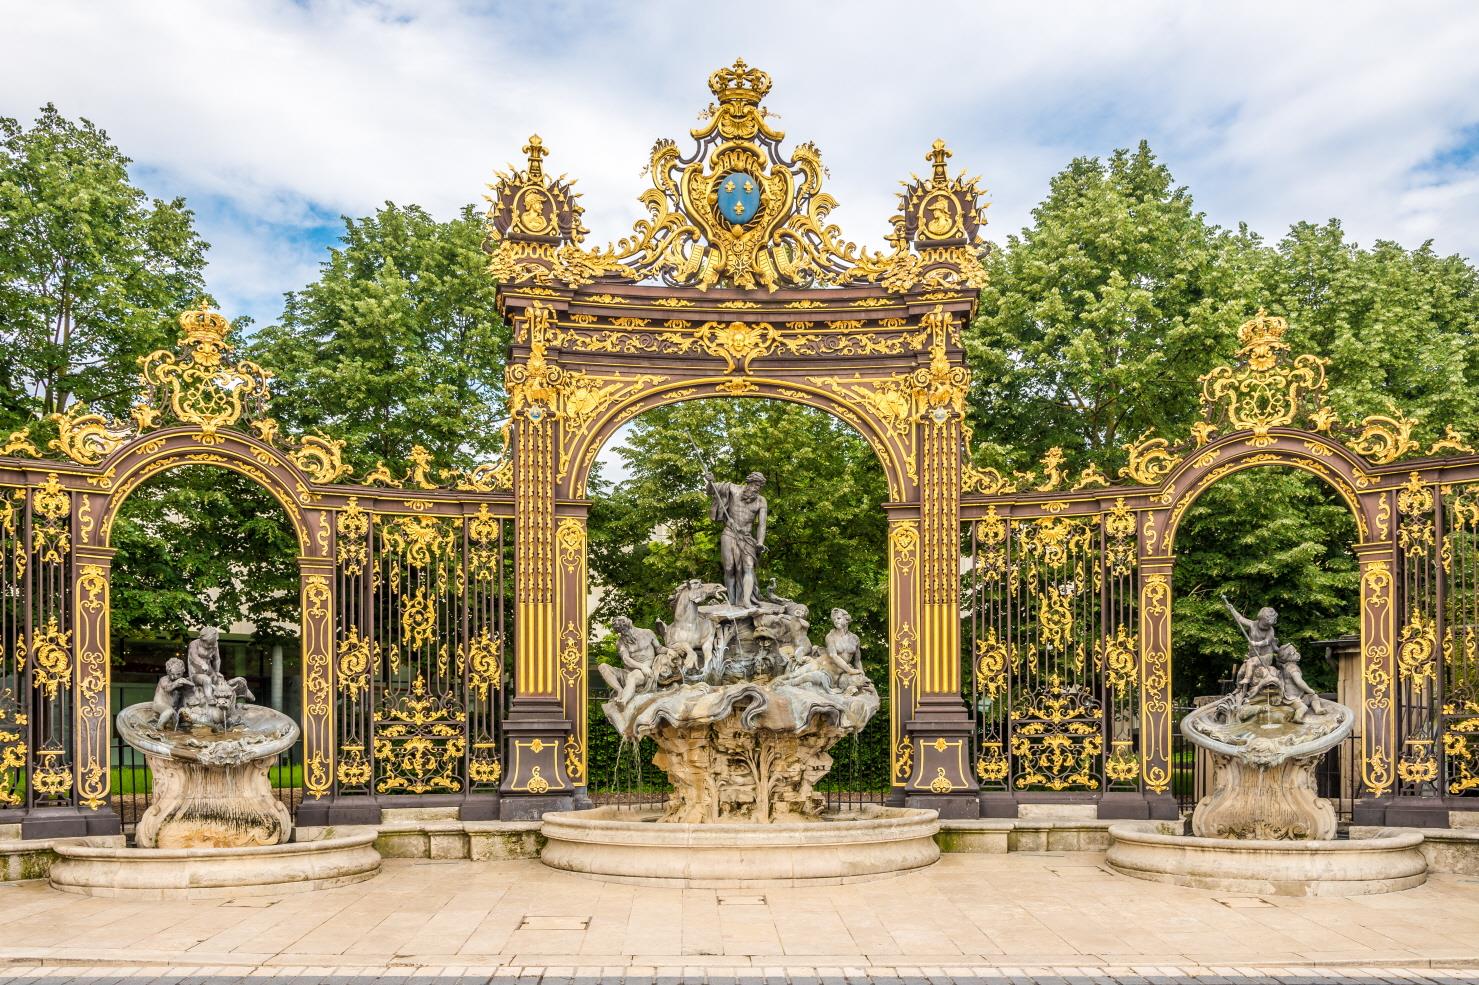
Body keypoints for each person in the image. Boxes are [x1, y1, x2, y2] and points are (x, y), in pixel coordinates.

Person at [707, 471, 768, 607]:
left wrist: (760, 542)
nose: (757, 488)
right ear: (749, 482)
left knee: (749, 566)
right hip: (729, 533)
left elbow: (762, 524)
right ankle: (732, 600)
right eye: (756, 484)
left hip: (747, 538)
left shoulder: (761, 501)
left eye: (760, 486)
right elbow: (712, 490)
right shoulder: (732, 489)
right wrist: (710, 481)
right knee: (729, 568)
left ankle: (746, 600)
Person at [598, 616, 667, 706]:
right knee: (602, 666)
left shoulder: (647, 633)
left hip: (645, 672)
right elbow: (626, 659)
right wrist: (641, 666)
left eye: (624, 631)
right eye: (620, 632)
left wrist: (670, 650)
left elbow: (659, 648)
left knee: (632, 676)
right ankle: (619, 690)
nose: (623, 635)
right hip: (629, 672)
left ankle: (623, 701)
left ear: (630, 626)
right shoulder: (621, 642)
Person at [151, 657, 194, 729]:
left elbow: (191, 689)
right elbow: (167, 688)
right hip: (160, 704)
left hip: (174, 708)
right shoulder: (164, 679)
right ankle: (159, 728)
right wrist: (177, 682)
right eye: (172, 674)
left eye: (178, 674)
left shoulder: (181, 681)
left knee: (186, 711)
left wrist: (188, 683)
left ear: (183, 671)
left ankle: (184, 725)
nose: (175, 677)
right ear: (168, 672)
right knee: (169, 711)